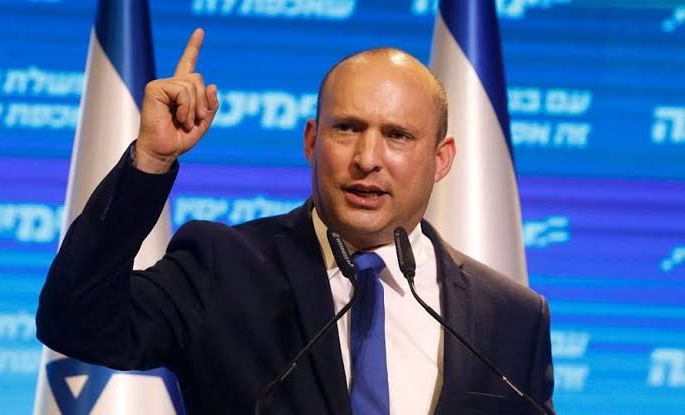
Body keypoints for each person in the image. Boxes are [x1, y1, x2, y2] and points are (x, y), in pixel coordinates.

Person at [36, 29, 555, 414]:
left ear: (441, 159)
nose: (367, 159)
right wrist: (150, 160)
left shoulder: (510, 317)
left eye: (397, 136)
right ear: (311, 141)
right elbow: (74, 323)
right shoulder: (222, 267)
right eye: (346, 128)